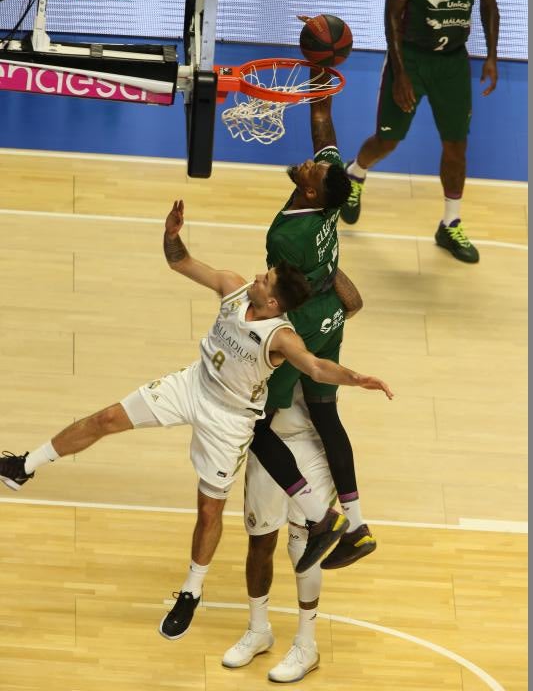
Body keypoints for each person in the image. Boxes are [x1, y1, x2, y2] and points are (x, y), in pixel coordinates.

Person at [0, 198, 393, 641]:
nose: (259, 275)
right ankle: (24, 467)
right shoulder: (234, 286)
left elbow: (318, 369)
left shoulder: (281, 335)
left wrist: (357, 377)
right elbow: (180, 262)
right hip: (192, 385)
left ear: (274, 300)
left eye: (267, 278)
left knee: (209, 510)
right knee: (107, 418)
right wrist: (172, 234)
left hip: (229, 420)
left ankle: (191, 591)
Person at [249, 65, 379, 572]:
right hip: (332, 318)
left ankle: (319, 517)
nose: (308, 163)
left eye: (311, 170)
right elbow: (323, 128)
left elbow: (282, 296)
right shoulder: (331, 196)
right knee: (327, 416)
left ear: (309, 194)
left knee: (258, 421)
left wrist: (251, 322)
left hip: (303, 323)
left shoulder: (286, 237)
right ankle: (360, 523)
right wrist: (322, 74)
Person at [340, 0, 499, 264]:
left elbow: (490, 8)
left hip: (453, 64)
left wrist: (491, 57)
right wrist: (400, 73)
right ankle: (355, 173)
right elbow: (391, 17)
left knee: (456, 146)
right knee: (388, 141)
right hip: (410, 58)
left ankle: (450, 222)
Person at [222, 384, 335, 683]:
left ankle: (306, 645)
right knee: (260, 540)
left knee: (304, 543)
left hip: (311, 444)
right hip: (267, 443)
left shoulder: (320, 337)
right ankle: (258, 631)